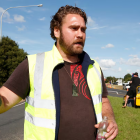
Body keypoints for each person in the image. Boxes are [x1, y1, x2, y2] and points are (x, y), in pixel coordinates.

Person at [0, 5, 118, 140]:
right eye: (73, 28)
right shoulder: (33, 64)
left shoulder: (94, 67)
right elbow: (4, 100)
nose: (80, 34)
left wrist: (109, 119)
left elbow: (104, 101)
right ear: (57, 31)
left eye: (83, 29)